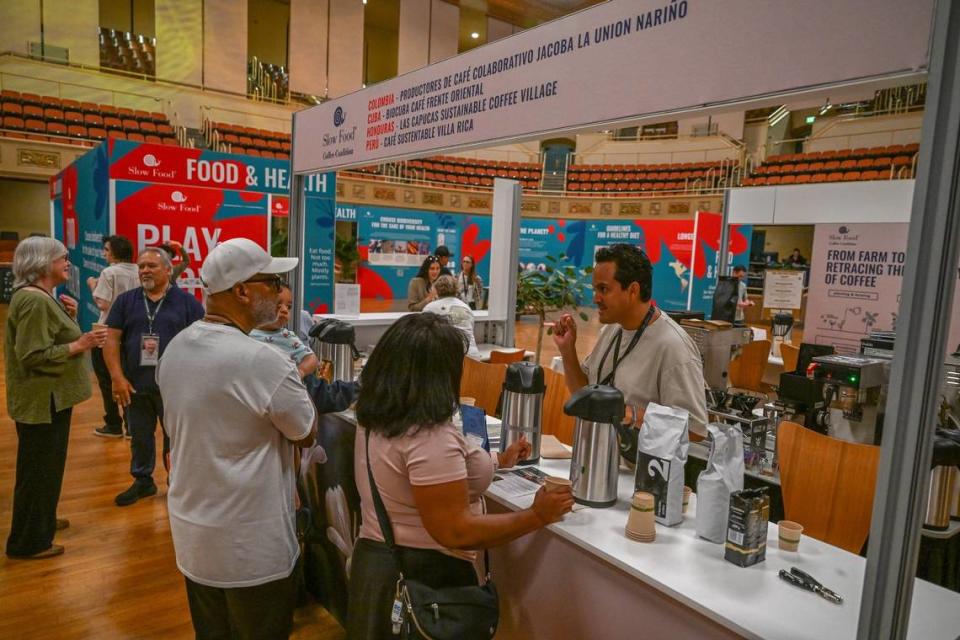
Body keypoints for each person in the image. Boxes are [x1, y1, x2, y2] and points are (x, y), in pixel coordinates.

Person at [347, 312, 573, 639]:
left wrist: (498, 461)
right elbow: (456, 531)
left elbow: (429, 475)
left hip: (377, 566)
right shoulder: (427, 436)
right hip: (427, 580)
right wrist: (537, 515)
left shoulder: (378, 418)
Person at [158, 237, 317, 639]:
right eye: (272, 280)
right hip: (252, 545)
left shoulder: (175, 348)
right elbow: (305, 431)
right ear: (243, 291)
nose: (280, 291)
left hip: (194, 536)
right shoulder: (263, 361)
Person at [5, 237, 106, 559]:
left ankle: (42, 519)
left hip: (47, 400)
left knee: (44, 468)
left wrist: (70, 319)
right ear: (43, 263)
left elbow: (49, 338)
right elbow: (33, 355)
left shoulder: (41, 297)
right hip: (42, 402)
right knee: (39, 471)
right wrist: (81, 344)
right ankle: (29, 542)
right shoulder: (34, 301)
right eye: (62, 258)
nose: (68, 263)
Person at [552, 243, 709, 439]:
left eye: (604, 289)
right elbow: (583, 396)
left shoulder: (673, 347)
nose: (596, 298)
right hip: (598, 460)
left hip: (637, 468)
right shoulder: (611, 330)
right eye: (595, 289)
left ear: (633, 290)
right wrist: (568, 351)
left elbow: (695, 429)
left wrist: (629, 414)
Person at [103, 246, 205, 506]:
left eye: (151, 266)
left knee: (177, 438)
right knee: (139, 436)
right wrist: (117, 377)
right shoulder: (126, 301)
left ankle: (177, 482)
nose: (145, 270)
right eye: (141, 266)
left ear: (169, 271)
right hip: (135, 384)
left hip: (175, 388)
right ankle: (143, 481)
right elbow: (111, 340)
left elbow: (202, 344)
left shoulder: (187, 303)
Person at [88, 234, 139, 439]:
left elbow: (103, 303)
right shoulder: (139, 270)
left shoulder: (109, 273)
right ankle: (131, 426)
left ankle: (113, 424)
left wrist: (93, 285)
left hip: (107, 332)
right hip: (131, 332)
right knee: (127, 378)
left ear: (116, 252)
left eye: (107, 250)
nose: (104, 254)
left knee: (106, 380)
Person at [251, 283, 320, 380]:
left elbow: (312, 359)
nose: (284, 310)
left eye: (289, 306)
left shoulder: (286, 337)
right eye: (278, 304)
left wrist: (300, 372)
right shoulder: (245, 332)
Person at [424, 274, 481, 358]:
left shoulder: (429, 308)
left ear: (436, 289)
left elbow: (424, 337)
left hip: (450, 360)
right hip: (474, 360)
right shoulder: (466, 307)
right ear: (456, 289)